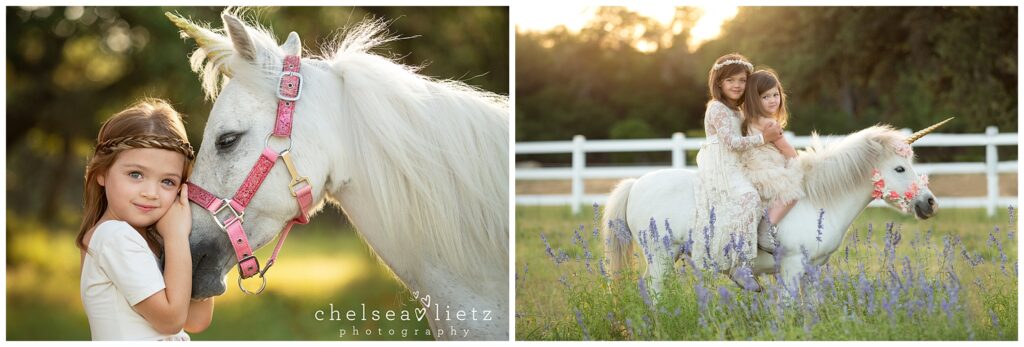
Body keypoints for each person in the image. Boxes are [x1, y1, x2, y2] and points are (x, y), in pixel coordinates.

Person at [76, 99, 213, 340]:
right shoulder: (113, 237)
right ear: (101, 174)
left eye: (167, 181)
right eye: (136, 175)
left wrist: (192, 239)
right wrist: (176, 237)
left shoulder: (153, 240)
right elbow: (171, 320)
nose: (151, 192)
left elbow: (195, 320)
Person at [692, 54, 782, 291]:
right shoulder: (717, 108)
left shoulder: (738, 110)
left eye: (742, 80)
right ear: (719, 82)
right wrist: (764, 137)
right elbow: (731, 142)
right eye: (730, 80)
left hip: (738, 162)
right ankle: (739, 264)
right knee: (748, 197)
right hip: (721, 164)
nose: (737, 85)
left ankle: (765, 245)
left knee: (767, 190)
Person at [739, 69, 804, 253]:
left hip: (753, 169)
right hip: (764, 170)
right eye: (765, 96)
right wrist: (799, 163)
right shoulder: (769, 124)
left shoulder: (751, 119)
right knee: (792, 192)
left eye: (776, 94)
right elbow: (786, 149)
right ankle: (767, 227)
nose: (773, 100)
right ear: (754, 99)